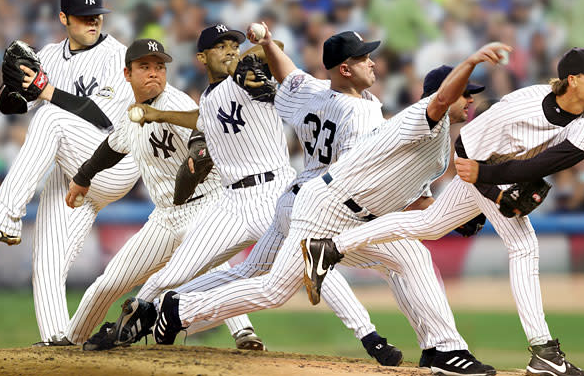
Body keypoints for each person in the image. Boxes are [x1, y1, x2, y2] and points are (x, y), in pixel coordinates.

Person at [140, 37, 508, 376]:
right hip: (329, 209)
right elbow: (414, 133)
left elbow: (289, 74)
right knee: (274, 289)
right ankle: (178, 310)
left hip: (303, 196)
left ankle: (441, 349)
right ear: (345, 68)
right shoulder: (372, 116)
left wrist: (267, 42)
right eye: (364, 58)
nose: (373, 63)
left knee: (405, 259)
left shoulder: (318, 92)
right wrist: (472, 61)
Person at [103, 25, 404, 366]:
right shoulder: (211, 97)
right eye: (221, 47)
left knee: (314, 262)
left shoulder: (250, 80)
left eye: (234, 44)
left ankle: (368, 335)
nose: (230, 50)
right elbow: (203, 119)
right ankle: (134, 321)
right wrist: (157, 114)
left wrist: (253, 56)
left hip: (274, 191)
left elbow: (273, 45)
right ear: (202, 58)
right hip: (231, 202)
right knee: (173, 274)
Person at [324, 47, 584, 376]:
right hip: (480, 164)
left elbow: (543, 164)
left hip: (498, 173)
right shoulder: (524, 103)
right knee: (523, 246)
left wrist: (490, 188)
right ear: (573, 81)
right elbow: (465, 148)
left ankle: (335, 245)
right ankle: (544, 353)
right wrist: (489, 189)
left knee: (430, 224)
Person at [59, 38, 265, 350]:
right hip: (164, 217)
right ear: (127, 74)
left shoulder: (176, 103)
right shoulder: (136, 115)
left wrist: (198, 153)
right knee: (109, 282)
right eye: (145, 67)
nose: (154, 72)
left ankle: (244, 332)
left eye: (159, 66)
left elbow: (202, 134)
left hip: (206, 205)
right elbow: (112, 148)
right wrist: (82, 177)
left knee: (210, 262)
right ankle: (68, 340)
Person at [0, 0, 141, 345]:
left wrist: (43, 90)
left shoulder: (116, 56)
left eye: (97, 15)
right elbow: (10, 106)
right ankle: (57, 344)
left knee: (50, 118)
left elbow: (102, 116)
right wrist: (13, 89)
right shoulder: (48, 57)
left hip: (114, 161)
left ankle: (4, 212)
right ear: (64, 19)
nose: (93, 21)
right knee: (47, 263)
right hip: (72, 172)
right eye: (83, 16)